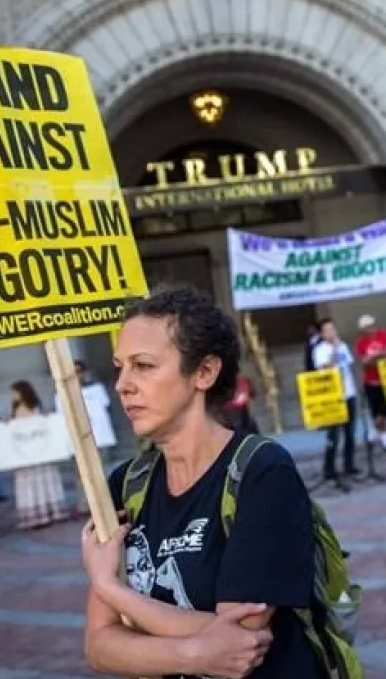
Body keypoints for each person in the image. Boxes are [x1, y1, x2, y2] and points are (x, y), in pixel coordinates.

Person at [80, 286, 318, 678]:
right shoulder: (126, 485)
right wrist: (195, 652)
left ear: (204, 372)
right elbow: (99, 646)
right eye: (120, 365)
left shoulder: (261, 472)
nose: (122, 384)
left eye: (143, 365)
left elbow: (243, 642)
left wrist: (111, 589)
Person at [9, 381, 69, 530]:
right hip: (26, 456)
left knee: (43, 480)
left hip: (41, 453)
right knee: (29, 484)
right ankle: (35, 515)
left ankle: (50, 511)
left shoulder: (38, 408)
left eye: (14, 392)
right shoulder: (14, 411)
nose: (12, 396)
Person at [313, 318, 360, 483]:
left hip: (348, 393)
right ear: (322, 333)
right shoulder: (320, 350)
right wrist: (333, 349)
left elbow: (349, 364)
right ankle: (330, 468)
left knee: (350, 433)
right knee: (334, 434)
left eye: (333, 329)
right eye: (327, 330)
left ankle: (349, 464)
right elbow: (325, 369)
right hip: (333, 398)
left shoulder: (343, 346)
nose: (331, 333)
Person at [54, 359, 118, 457]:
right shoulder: (61, 396)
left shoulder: (96, 388)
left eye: (78, 372)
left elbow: (106, 407)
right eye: (72, 373)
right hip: (77, 441)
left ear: (84, 373)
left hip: (99, 438)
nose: (76, 376)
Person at [354, 314, 386, 452]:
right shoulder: (361, 343)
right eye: (367, 327)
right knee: (377, 412)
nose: (371, 328)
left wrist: (374, 357)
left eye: (372, 325)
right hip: (371, 382)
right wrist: (379, 356)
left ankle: (372, 433)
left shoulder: (383, 334)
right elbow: (364, 363)